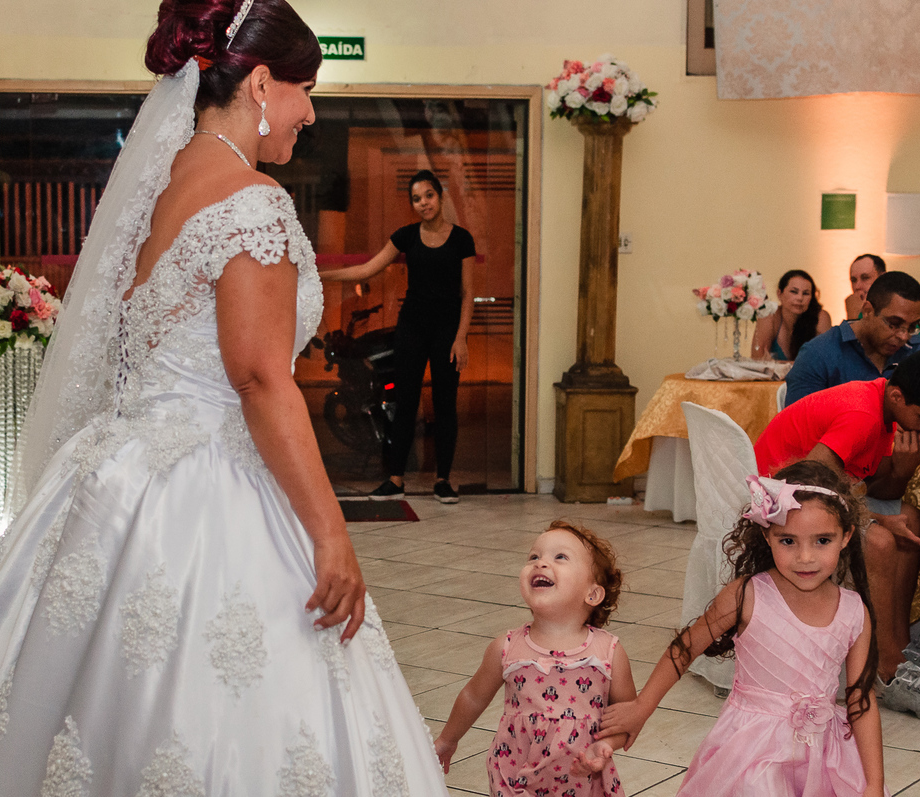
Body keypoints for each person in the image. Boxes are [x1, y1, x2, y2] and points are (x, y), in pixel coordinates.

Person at [0, 3, 448, 795]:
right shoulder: (252, 203)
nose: (311, 113)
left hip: (116, 472)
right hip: (213, 481)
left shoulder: (153, 192)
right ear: (264, 85)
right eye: (307, 90)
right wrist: (330, 530)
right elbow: (260, 378)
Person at [596, 462, 889, 797]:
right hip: (751, 752)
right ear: (767, 534)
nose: (805, 557)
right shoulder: (747, 595)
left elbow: (860, 697)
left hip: (824, 756)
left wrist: (874, 784)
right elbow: (686, 647)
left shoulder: (853, 611)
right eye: (788, 541)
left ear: (846, 536)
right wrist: (641, 707)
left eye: (822, 540)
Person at [754, 349, 920, 720]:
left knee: (904, 528)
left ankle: (898, 647)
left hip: (803, 496)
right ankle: (887, 671)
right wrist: (876, 521)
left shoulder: (884, 410)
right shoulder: (861, 414)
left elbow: (871, 485)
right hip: (775, 500)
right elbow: (808, 487)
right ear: (897, 397)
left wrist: (904, 469)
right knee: (879, 541)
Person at [433, 521, 637, 796]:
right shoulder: (507, 648)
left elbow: (627, 715)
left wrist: (607, 744)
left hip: (585, 780)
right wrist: (447, 739)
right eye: (533, 557)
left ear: (593, 593)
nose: (541, 563)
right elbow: (473, 696)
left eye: (560, 557)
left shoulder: (608, 653)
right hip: (516, 775)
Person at [319, 170, 476, 504]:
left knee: (445, 405)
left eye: (428, 196)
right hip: (412, 329)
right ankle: (395, 479)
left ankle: (443, 481)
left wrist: (461, 337)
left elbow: (468, 293)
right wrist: (320, 275)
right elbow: (366, 269)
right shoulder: (406, 236)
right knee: (403, 404)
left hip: (447, 331)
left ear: (440, 196)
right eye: (417, 199)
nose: (423, 203)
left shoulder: (462, 239)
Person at [785, 271, 920, 406]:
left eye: (912, 327)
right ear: (868, 311)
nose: (904, 336)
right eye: (894, 324)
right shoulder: (818, 354)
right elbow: (798, 427)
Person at [751, 269, 833, 360]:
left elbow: (825, 363)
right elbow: (757, 360)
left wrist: (777, 364)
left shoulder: (821, 317)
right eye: (794, 292)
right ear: (779, 294)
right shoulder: (770, 315)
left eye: (806, 293)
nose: (800, 298)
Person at [844, 254, 886, 322]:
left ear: (882, 278)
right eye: (853, 280)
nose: (857, 286)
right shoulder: (855, 308)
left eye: (865, 278)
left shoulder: (892, 311)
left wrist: (853, 318)